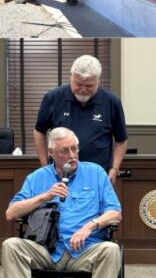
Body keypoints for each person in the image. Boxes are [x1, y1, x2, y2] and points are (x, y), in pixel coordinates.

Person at [1, 127, 122, 277]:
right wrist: (45, 196)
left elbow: (115, 213)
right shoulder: (37, 177)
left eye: (75, 149)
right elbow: (11, 214)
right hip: (45, 250)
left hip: (85, 250)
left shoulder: (95, 173)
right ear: (51, 153)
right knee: (11, 246)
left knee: (111, 250)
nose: (72, 155)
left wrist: (90, 226)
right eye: (65, 151)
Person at [34, 55, 128, 185]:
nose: (83, 90)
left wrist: (114, 169)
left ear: (98, 81)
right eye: (78, 84)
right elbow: (39, 131)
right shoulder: (53, 98)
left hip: (98, 177)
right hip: (60, 175)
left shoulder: (112, 102)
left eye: (89, 86)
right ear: (71, 77)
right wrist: (45, 166)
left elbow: (121, 139)